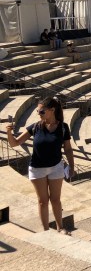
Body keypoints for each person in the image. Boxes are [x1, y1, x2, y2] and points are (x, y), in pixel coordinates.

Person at [5, 97, 76, 233]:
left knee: (55, 200)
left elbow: (68, 149)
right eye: (38, 111)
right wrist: (9, 133)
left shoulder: (63, 127)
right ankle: (46, 231)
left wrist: (72, 166)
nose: (39, 114)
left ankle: (60, 227)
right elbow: (15, 143)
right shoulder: (35, 127)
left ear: (52, 110)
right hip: (37, 169)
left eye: (42, 111)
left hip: (56, 167)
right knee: (43, 201)